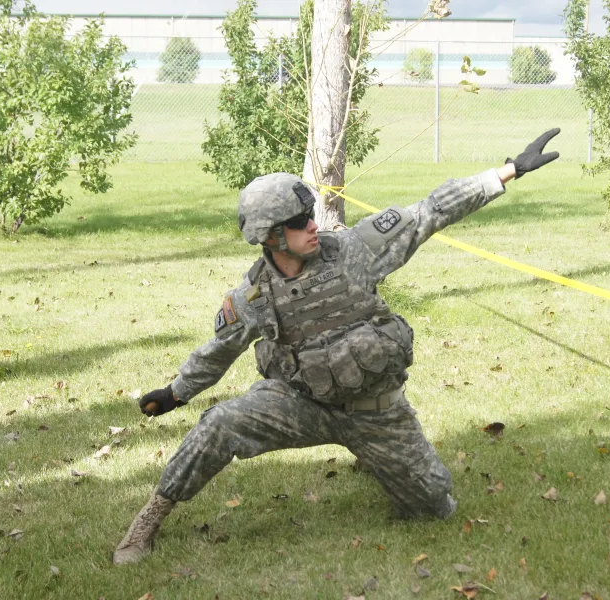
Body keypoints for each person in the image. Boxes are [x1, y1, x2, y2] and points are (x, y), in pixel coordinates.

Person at [113, 128, 561, 565]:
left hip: (375, 411)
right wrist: (176, 394)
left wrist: (506, 172)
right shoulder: (252, 298)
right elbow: (219, 350)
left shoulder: (352, 252)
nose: (312, 225)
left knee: (433, 507)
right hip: (300, 405)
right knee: (220, 422)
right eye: (297, 223)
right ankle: (149, 520)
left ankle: (374, 455)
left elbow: (429, 213)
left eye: (309, 216)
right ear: (270, 236)